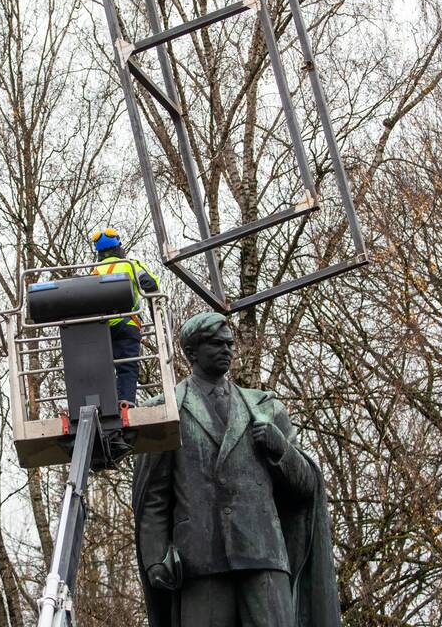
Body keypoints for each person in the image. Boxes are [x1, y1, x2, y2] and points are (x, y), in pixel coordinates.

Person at [133, 312, 343, 627]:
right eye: (216, 344)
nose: (227, 350)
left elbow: (306, 487)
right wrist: (155, 559)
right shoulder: (166, 411)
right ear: (192, 353)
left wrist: (280, 448)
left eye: (229, 344)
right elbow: (154, 497)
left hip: (263, 554)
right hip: (200, 561)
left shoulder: (265, 408)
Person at [89, 227, 159, 407]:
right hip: (127, 324)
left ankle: (103, 405)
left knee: (102, 368)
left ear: (99, 252)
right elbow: (150, 284)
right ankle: (126, 403)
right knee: (127, 367)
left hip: (100, 329)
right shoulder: (130, 264)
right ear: (119, 247)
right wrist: (155, 311)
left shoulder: (94, 271)